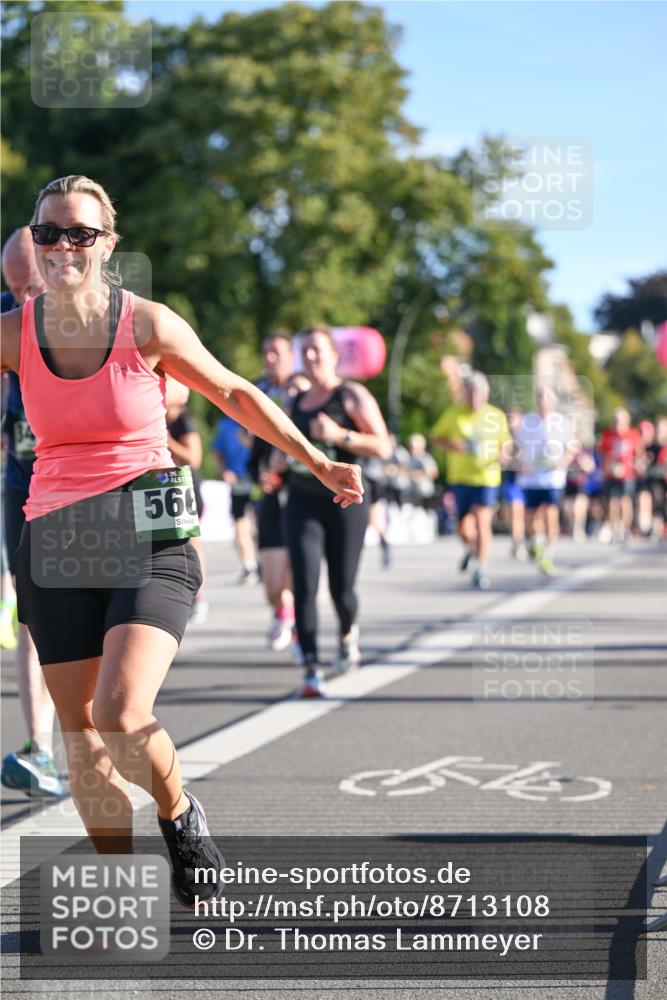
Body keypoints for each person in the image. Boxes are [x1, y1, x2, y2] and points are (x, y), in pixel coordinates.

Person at [1, 175, 362, 906]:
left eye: (81, 233)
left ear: (108, 244)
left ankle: (178, 811)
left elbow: (233, 392)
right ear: (33, 246)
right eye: (49, 233)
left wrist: (317, 460)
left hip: (148, 530)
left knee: (120, 714)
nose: (64, 246)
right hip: (54, 539)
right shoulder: (13, 334)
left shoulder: (148, 325)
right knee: (79, 736)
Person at [282, 325, 390, 697]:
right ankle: (311, 668)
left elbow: (383, 446)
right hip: (301, 501)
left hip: (345, 502)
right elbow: (283, 446)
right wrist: (276, 467)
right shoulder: (293, 401)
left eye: (317, 350)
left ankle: (347, 632)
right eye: (305, 350)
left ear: (334, 356)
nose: (310, 357)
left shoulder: (351, 394)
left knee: (341, 588)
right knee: (305, 584)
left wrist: (340, 436)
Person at [0, 227, 63, 799]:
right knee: (30, 612)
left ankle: (97, 740)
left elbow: (178, 393)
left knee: (93, 618)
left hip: (89, 487)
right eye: (13, 289)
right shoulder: (7, 316)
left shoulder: (97, 311)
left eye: (31, 288)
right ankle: (39, 745)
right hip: (23, 483)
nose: (22, 302)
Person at [432, 372, 512, 590]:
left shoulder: (495, 416)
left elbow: (505, 443)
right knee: (463, 529)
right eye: (470, 393)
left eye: (479, 393)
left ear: (486, 394)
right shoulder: (453, 413)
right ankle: (471, 549)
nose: (474, 397)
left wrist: (504, 454)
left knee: (482, 520)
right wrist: (452, 446)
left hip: (487, 477)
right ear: (465, 393)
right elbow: (436, 437)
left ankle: (481, 567)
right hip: (460, 478)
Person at [247, 332, 299, 652]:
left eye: (276, 352)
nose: (270, 358)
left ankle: (292, 616)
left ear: (290, 355)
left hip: (299, 492)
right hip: (269, 494)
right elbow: (250, 448)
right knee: (271, 584)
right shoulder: (257, 389)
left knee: (295, 567)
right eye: (266, 351)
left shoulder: (303, 390)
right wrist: (261, 475)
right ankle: (282, 609)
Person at [513, 388, 579, 575]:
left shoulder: (562, 422)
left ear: (554, 402)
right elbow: (516, 446)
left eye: (548, 399)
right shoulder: (527, 422)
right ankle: (537, 541)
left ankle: (548, 555)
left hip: (553, 477)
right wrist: (520, 461)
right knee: (532, 518)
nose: (544, 402)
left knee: (550, 514)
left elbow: (572, 446)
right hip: (531, 478)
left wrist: (563, 461)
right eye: (541, 398)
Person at [165, 377, 208, 623]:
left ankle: (198, 595)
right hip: (162, 483)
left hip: (184, 485)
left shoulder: (182, 420)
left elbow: (194, 457)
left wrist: (166, 441)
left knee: (192, 544)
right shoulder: (155, 416)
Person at [211, 415, 260, 585]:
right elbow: (216, 451)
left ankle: (262, 561)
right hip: (238, 481)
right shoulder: (225, 425)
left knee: (259, 523)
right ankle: (249, 565)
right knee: (239, 524)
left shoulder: (256, 417)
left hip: (258, 479)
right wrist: (224, 471)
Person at [598, 408, 643, 544]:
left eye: (620, 421)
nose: (618, 424)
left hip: (627, 474)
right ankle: (614, 528)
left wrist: (636, 465)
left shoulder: (633, 434)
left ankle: (625, 529)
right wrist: (606, 468)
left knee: (625, 501)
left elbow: (639, 453)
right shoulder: (607, 434)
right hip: (612, 474)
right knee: (611, 502)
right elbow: (603, 454)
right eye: (616, 421)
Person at [502, 407, 527, 560]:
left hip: (529, 480)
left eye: (514, 418)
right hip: (511, 478)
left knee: (529, 514)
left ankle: (532, 538)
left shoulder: (527, 437)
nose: (511, 422)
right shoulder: (502, 437)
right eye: (508, 419)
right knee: (514, 509)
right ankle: (517, 541)